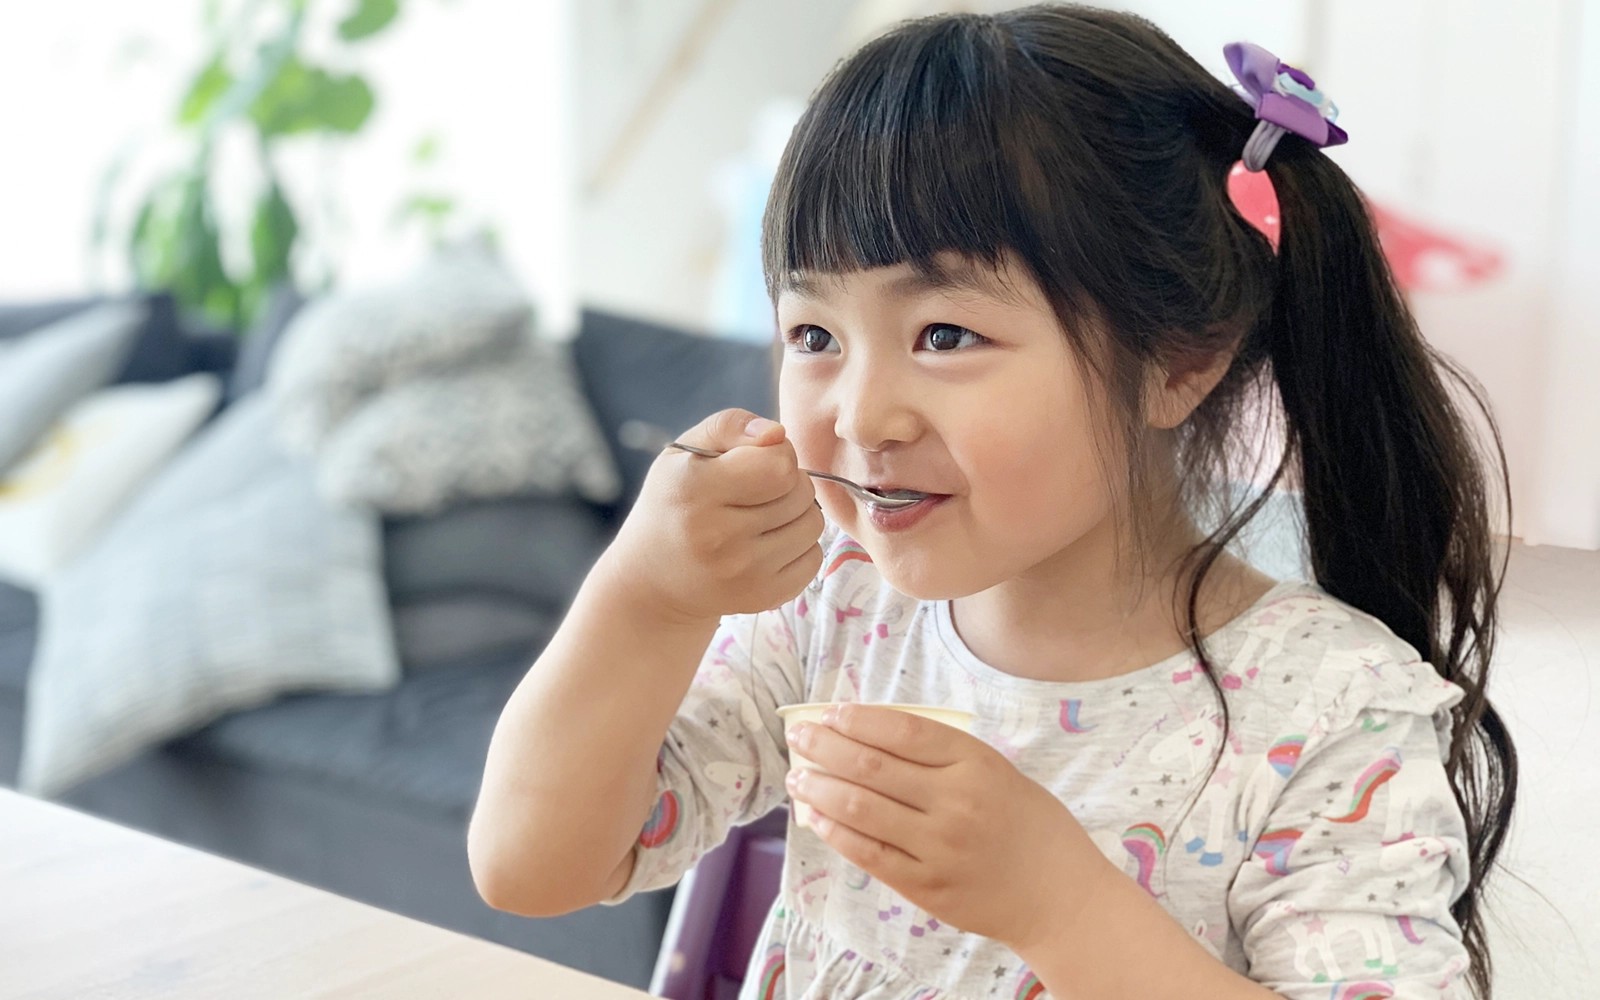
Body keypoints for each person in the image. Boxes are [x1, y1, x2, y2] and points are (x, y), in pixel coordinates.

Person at [468, 7, 1517, 999]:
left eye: (944, 335)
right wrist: (645, 597)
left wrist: (1057, 905)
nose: (860, 413)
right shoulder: (834, 609)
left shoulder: (1327, 713)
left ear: (1177, 362)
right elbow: (532, 865)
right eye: (813, 335)